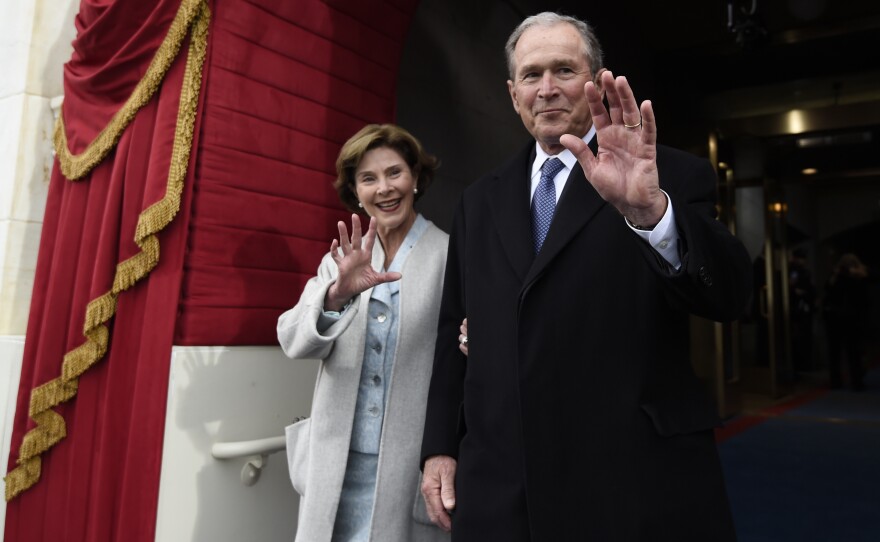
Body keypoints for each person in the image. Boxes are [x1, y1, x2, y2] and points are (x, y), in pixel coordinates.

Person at [419, 12, 752, 541]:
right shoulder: (478, 200)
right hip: (504, 489)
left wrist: (651, 215)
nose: (546, 89)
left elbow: (732, 295)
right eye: (531, 75)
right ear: (512, 93)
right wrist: (439, 445)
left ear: (596, 80)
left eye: (563, 71)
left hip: (630, 487)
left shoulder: (666, 175)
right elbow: (451, 330)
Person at [278, 124, 450, 542]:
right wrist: (336, 294)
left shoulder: (449, 255)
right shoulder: (341, 258)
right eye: (369, 178)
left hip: (405, 467)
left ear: (415, 178)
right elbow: (292, 338)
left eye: (395, 173)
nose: (385, 188)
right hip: (335, 463)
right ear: (355, 191)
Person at [822, 252, 872, 391]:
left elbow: (829, 293)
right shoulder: (854, 278)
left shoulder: (838, 277)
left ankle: (837, 381)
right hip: (850, 319)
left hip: (837, 319)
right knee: (853, 353)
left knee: (837, 352)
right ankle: (856, 381)